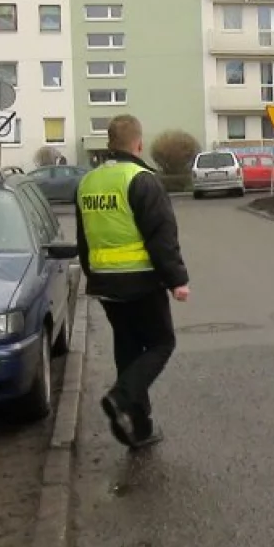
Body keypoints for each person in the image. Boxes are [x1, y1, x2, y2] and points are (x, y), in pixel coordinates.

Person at [75, 114, 190, 450]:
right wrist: (177, 280)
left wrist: (92, 275)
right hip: (140, 282)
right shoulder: (142, 179)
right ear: (138, 143)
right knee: (160, 343)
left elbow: (84, 240)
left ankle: (139, 429)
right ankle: (121, 397)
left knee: (128, 350)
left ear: (109, 144)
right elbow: (161, 236)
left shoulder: (88, 183)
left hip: (106, 285)